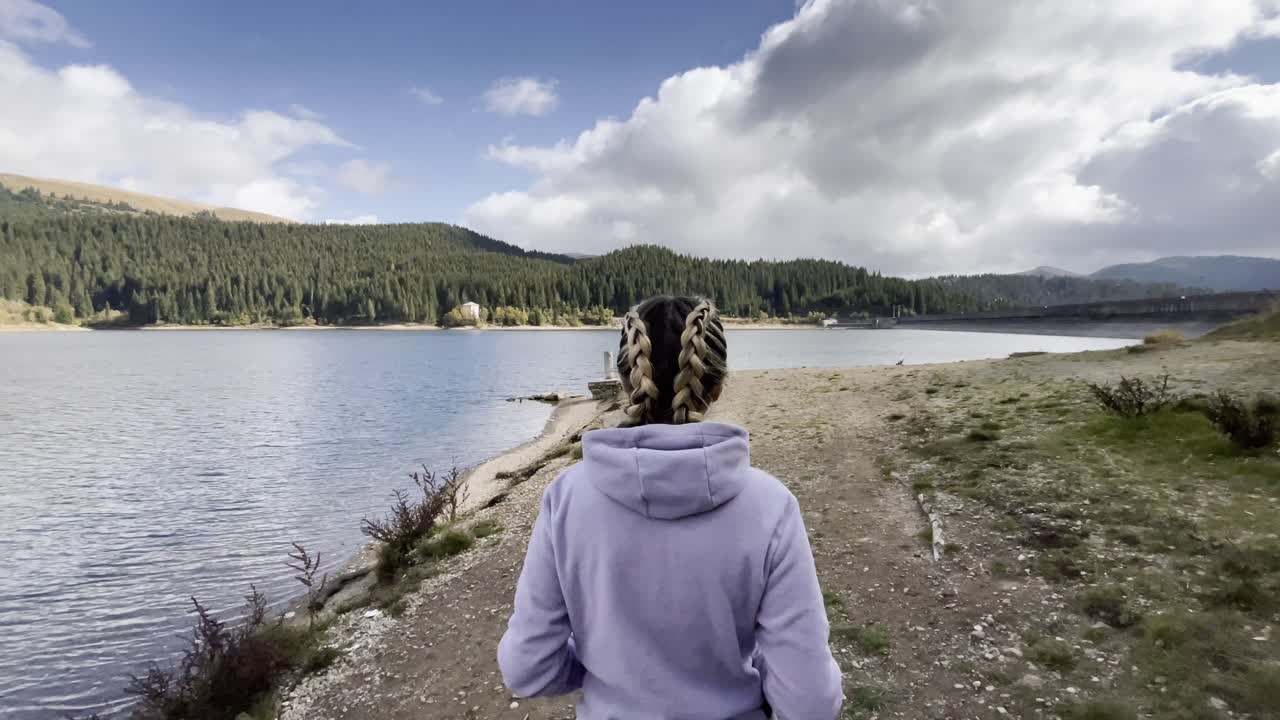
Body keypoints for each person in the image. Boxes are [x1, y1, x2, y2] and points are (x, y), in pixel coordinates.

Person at [497, 295, 844, 719]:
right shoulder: (771, 507)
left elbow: (527, 668)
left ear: (626, 384)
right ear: (715, 389)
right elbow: (810, 702)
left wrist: (601, 671)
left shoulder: (566, 499)